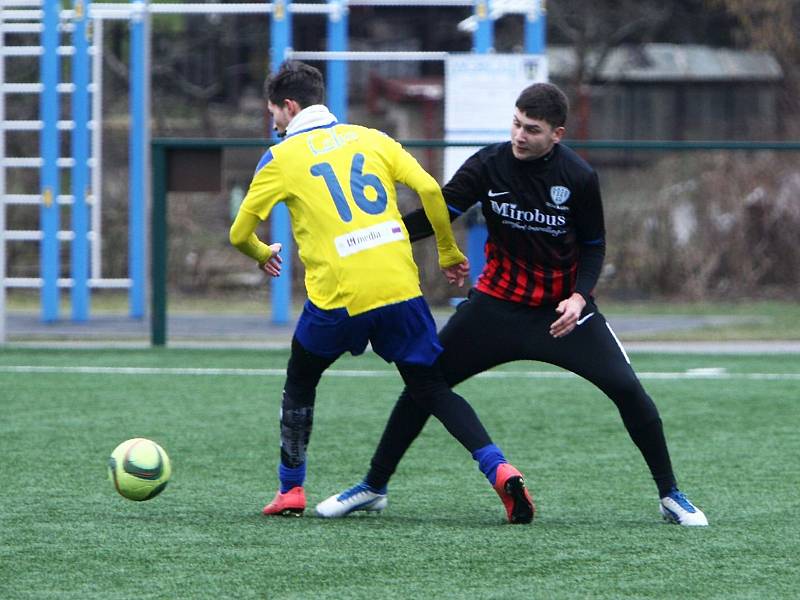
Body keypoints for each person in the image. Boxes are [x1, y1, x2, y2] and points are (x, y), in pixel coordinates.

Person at [319, 82, 708, 527]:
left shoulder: (579, 177)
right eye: (517, 124)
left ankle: (671, 495)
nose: (520, 136)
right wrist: (375, 237)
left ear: (556, 135)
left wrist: (579, 298)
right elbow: (439, 212)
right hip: (495, 309)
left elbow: (594, 245)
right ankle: (373, 486)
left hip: (562, 316)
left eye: (533, 130)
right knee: (423, 386)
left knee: (629, 391)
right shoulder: (488, 163)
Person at [229, 60, 533, 524]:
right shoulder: (372, 138)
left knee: (300, 382)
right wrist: (449, 253)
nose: (273, 123)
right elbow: (432, 190)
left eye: (274, 114)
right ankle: (498, 468)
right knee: (431, 387)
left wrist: (259, 250)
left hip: (339, 298)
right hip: (398, 288)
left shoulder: (281, 157)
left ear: (289, 107)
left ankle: (290, 488)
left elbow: (238, 233)